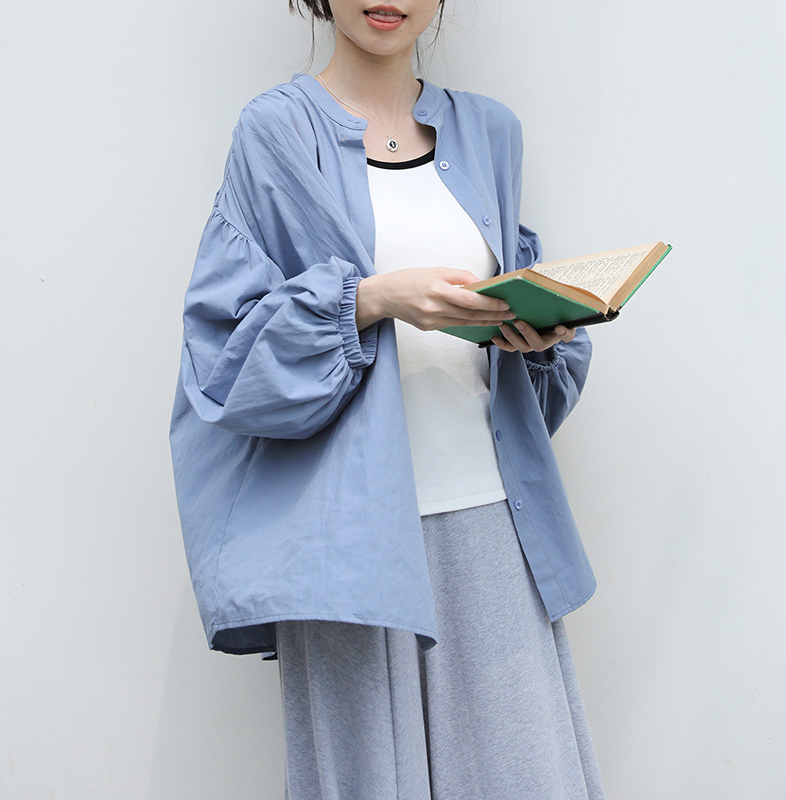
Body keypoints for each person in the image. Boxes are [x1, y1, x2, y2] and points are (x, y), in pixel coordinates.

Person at [170, 1, 606, 797]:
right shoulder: (276, 133)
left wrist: (538, 334)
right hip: (345, 544)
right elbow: (226, 364)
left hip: (493, 522)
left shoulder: (491, 133)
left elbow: (525, 376)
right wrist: (371, 300)